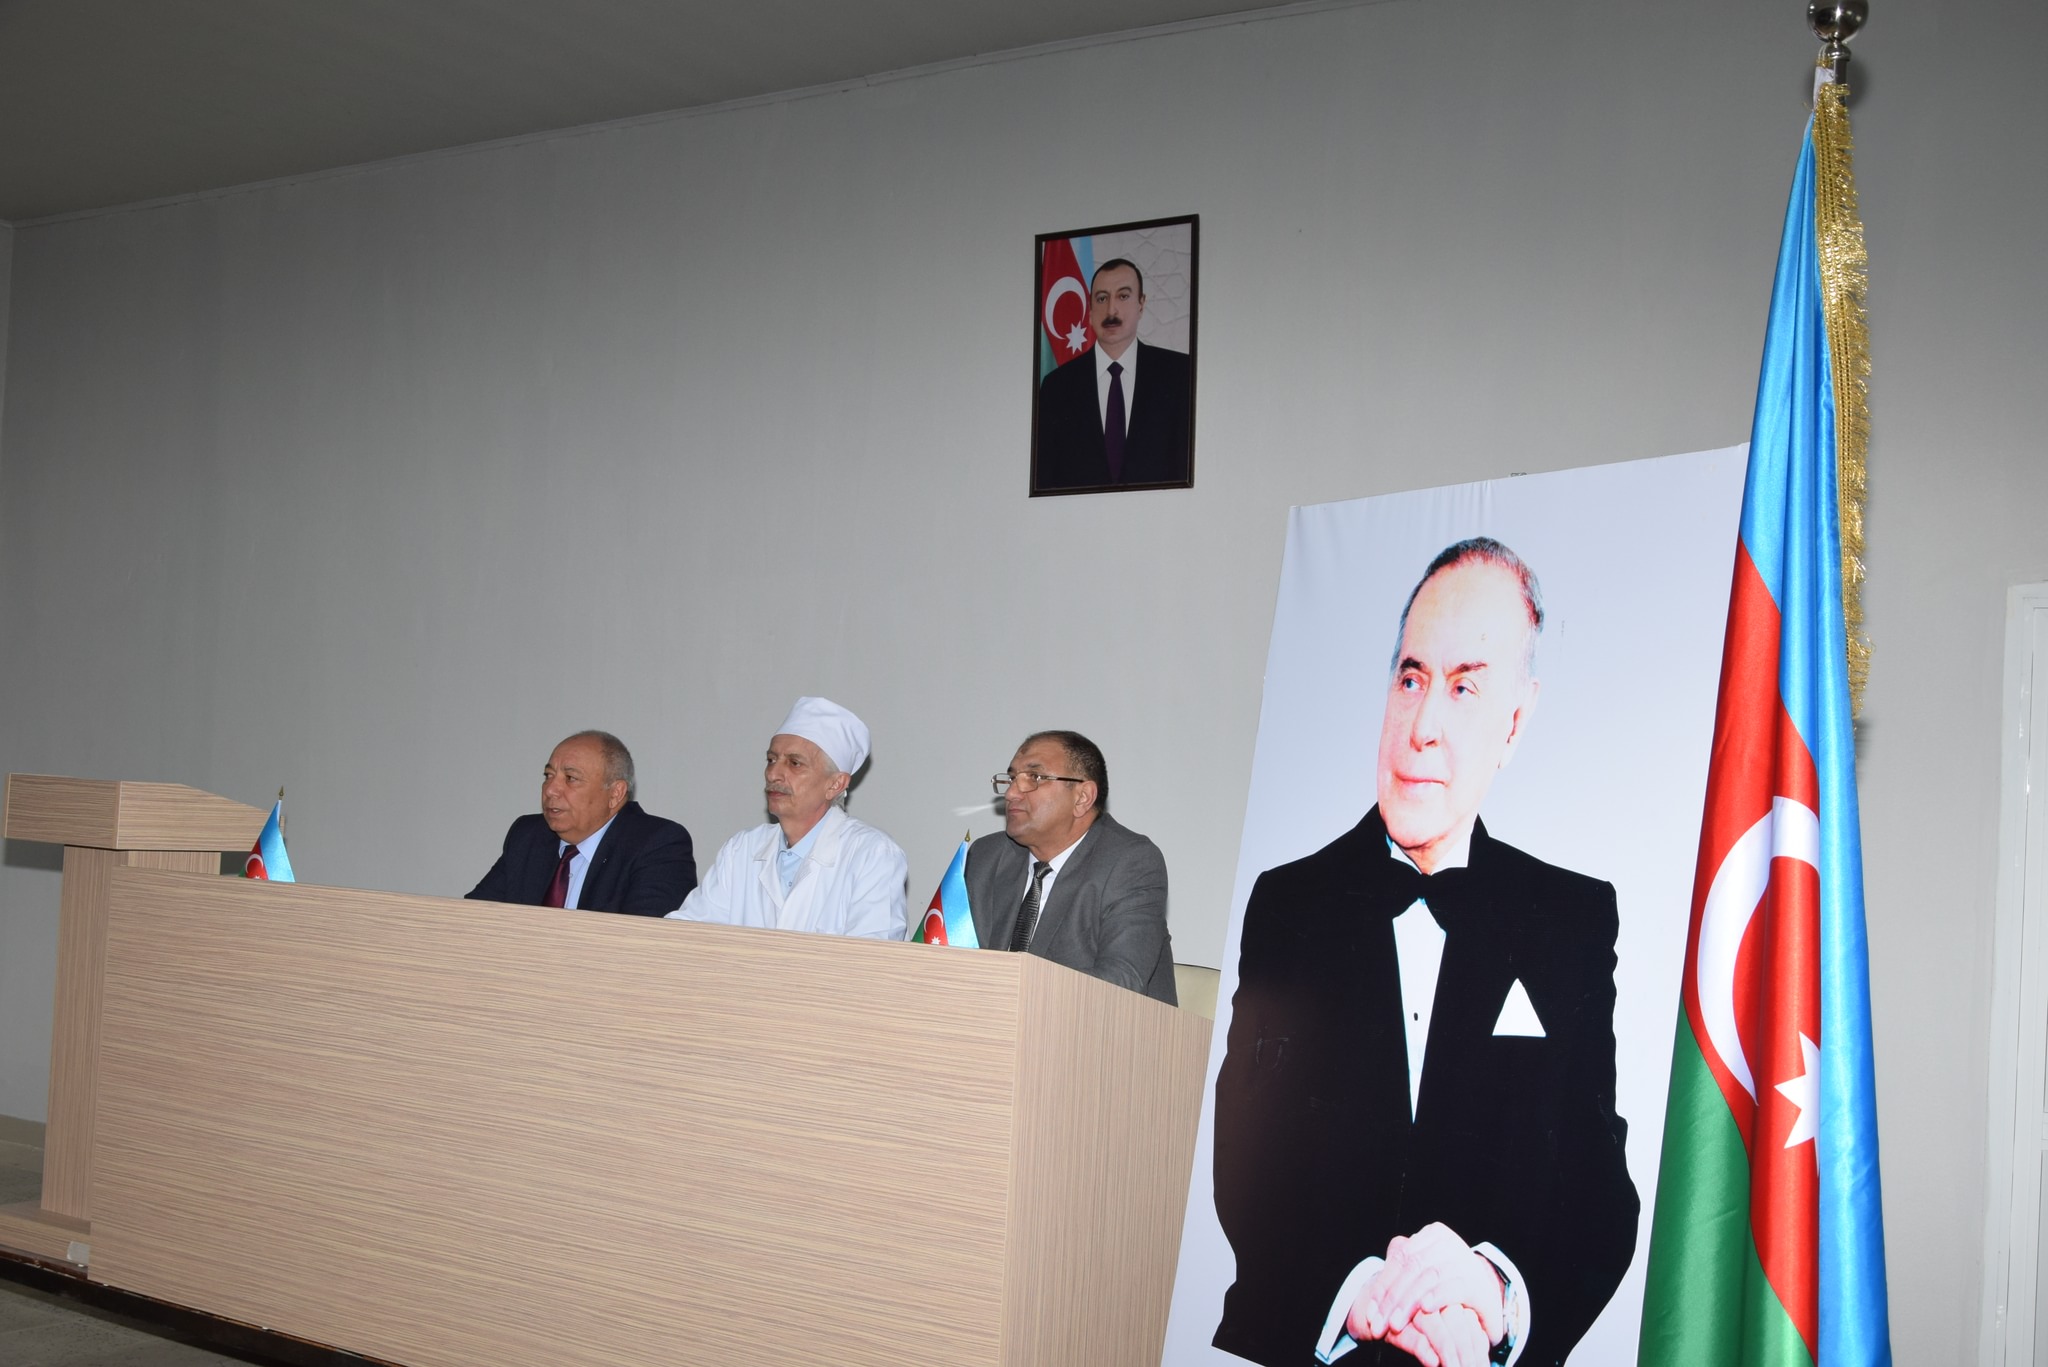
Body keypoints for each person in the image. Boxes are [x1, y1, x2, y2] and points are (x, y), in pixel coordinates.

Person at [1211, 539, 1637, 1367]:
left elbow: (1597, 1189)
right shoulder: (1288, 904)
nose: (1422, 726)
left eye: (1465, 686)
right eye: (1411, 679)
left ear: (1515, 722)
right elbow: (1245, 1155)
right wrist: (1362, 1297)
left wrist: (1491, 1291)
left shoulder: (1572, 919)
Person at [668, 697, 907, 940]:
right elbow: (685, 935)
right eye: (771, 760)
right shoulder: (742, 850)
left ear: (835, 784)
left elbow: (873, 955)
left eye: (794, 763)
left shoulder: (872, 854)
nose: (773, 774)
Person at [966, 730, 1176, 1003]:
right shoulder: (987, 856)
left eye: (1034, 778)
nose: (1012, 793)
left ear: (1082, 798)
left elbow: (1122, 982)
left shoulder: (1130, 862)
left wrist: (1010, 990)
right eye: (1012, 779)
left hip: (1097, 1026)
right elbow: (947, 954)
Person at [468, 731, 695, 915]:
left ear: (615, 793)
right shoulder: (528, 836)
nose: (550, 789)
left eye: (571, 778)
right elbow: (472, 918)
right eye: (548, 775)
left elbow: (644, 942)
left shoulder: (657, 844)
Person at [1033, 258, 1193, 491]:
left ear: (1141, 304)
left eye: (1123, 296)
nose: (1111, 310)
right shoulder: (1056, 387)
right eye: (1102, 298)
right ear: (1090, 310)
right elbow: (1045, 481)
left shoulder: (1181, 374)